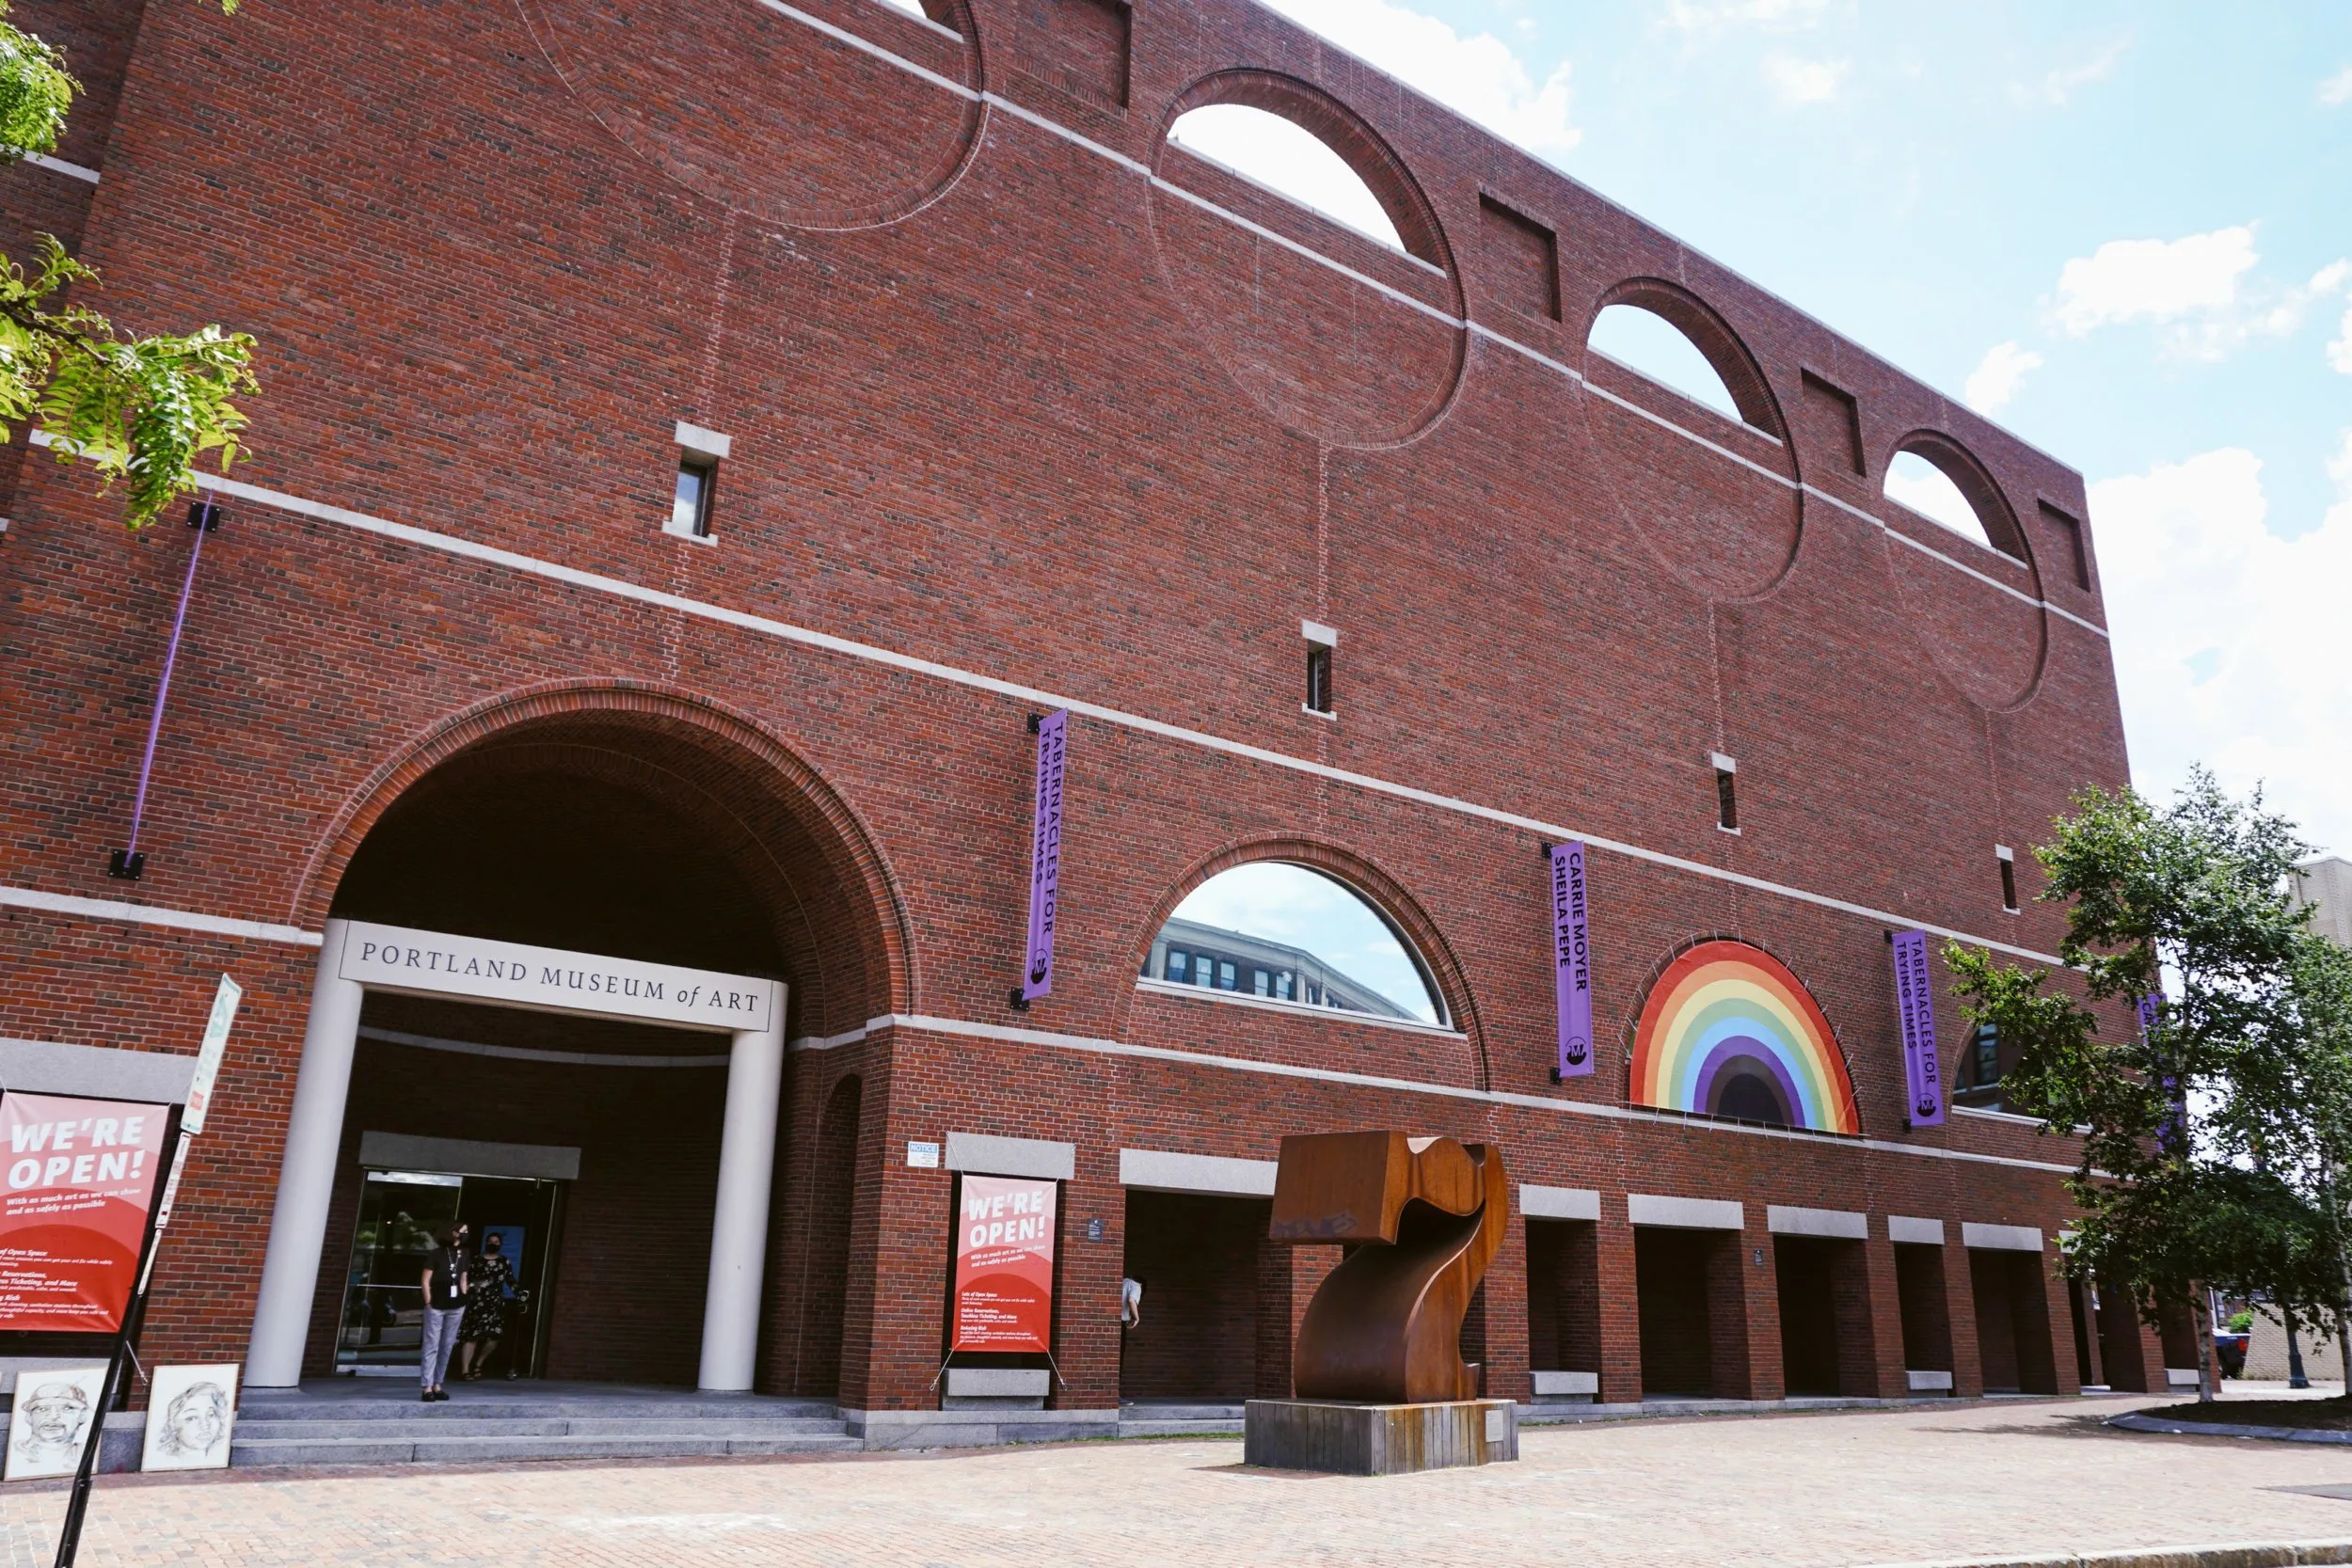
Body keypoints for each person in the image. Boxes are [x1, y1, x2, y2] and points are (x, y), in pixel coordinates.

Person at [456, 1230, 516, 1381]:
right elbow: (465, 1279)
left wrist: (521, 1294)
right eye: (491, 1241)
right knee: (472, 1336)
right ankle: (465, 1370)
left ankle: (478, 1364)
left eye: (497, 1242)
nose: (493, 1244)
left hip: (495, 1303)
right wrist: (472, 1286)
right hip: (477, 1302)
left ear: (500, 1245)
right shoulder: (476, 1260)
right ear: (486, 1242)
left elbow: (510, 1280)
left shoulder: (504, 1262)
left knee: (494, 1337)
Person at [419, 1224, 468, 1402]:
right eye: (463, 1231)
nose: (465, 1234)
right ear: (452, 1232)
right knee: (432, 1345)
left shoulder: (464, 1254)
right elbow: (425, 1280)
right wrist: (429, 1302)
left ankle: (438, 1384)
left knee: (447, 1345)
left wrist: (464, 1298)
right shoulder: (437, 1254)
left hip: (456, 1305)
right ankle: (427, 1386)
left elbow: (463, 1278)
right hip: (437, 1304)